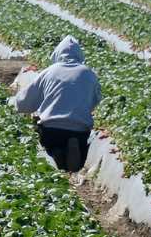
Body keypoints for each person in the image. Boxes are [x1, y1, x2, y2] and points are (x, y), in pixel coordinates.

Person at [9, 35, 101, 172]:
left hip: (52, 129)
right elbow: (95, 101)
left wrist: (13, 102)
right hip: (80, 130)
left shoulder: (49, 72)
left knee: (47, 141)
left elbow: (25, 103)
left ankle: (55, 153)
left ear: (57, 53)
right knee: (81, 142)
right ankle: (75, 153)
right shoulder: (89, 74)